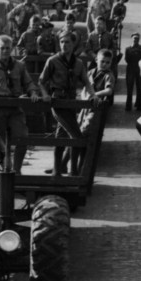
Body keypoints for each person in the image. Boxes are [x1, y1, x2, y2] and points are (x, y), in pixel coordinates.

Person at [0, 34, 41, 174]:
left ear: (11, 49)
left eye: (8, 48)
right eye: (2, 48)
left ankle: (16, 169)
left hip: (15, 108)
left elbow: (29, 83)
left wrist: (33, 93)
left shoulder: (19, 66)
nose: (5, 51)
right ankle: (3, 168)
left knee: (22, 138)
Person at [39, 31, 98, 177]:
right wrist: (45, 95)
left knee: (61, 135)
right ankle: (74, 172)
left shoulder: (78, 63)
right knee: (76, 137)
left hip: (71, 102)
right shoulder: (52, 61)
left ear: (73, 44)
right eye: (62, 42)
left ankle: (58, 170)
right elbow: (41, 81)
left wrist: (93, 95)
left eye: (68, 42)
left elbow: (86, 82)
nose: (64, 45)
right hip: (58, 102)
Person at [123, 32, 141, 112]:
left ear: (139, 39)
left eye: (137, 38)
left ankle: (139, 105)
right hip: (130, 69)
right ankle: (128, 106)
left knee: (139, 88)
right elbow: (126, 59)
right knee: (129, 88)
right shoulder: (127, 49)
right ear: (131, 39)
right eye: (134, 38)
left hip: (139, 69)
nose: (135, 40)